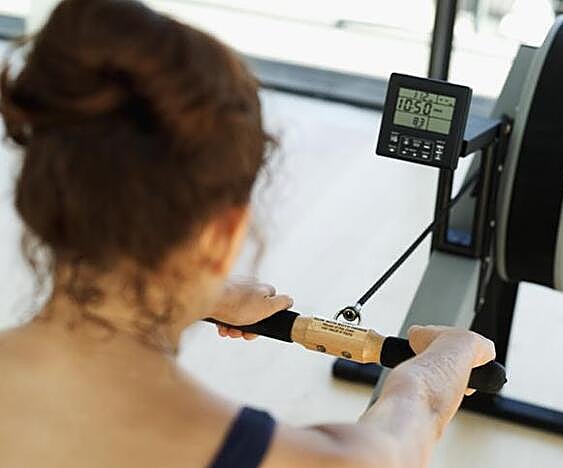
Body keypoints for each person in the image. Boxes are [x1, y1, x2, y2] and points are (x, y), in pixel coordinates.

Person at [0, 1, 496, 467]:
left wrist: (202, 295)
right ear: (221, 236)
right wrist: (448, 357)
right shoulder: (256, 452)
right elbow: (399, 438)